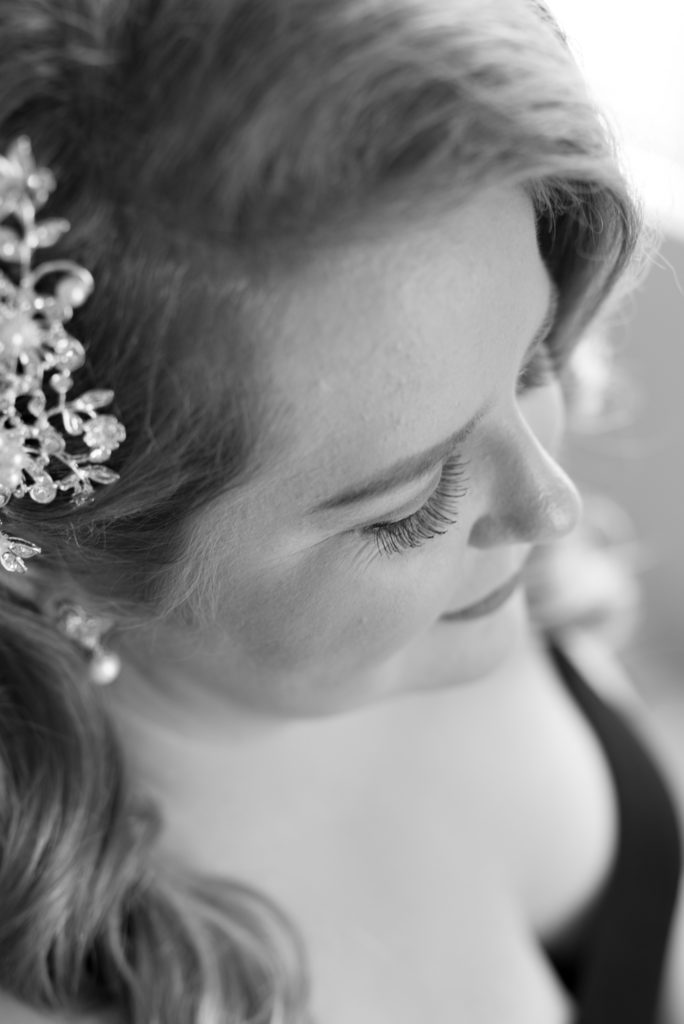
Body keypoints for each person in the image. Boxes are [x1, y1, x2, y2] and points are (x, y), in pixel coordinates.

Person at [0, 1, 681, 1022]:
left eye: (533, 356)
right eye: (406, 507)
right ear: (78, 553)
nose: (551, 505)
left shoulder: (479, 588)